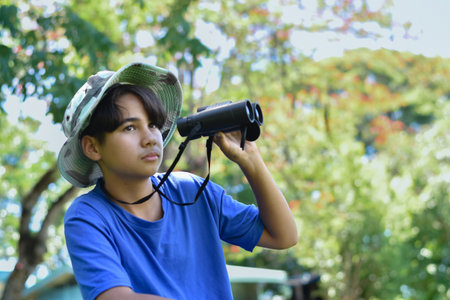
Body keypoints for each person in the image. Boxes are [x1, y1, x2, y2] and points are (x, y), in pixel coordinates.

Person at [58, 62, 298, 300]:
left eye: (152, 124)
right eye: (130, 128)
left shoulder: (191, 191)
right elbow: (113, 297)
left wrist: (251, 160)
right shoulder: (88, 215)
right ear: (92, 147)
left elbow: (283, 236)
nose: (150, 138)